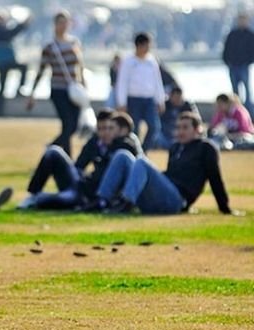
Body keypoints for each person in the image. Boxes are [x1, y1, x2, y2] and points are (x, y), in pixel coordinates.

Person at [92, 112, 239, 216]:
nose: (180, 131)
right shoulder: (175, 147)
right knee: (122, 156)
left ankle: (125, 203)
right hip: (163, 194)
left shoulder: (206, 148)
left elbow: (215, 178)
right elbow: (170, 175)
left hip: (177, 200)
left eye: (185, 127)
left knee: (141, 162)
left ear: (197, 129)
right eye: (178, 127)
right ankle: (102, 201)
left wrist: (224, 208)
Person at [27, 10, 86, 157]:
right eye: (60, 23)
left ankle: (52, 148)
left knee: (74, 126)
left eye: (66, 23)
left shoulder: (74, 43)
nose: (64, 26)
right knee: (67, 124)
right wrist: (32, 93)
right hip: (58, 89)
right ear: (55, 25)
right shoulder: (50, 47)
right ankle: (67, 159)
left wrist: (84, 85)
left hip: (75, 90)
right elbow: (41, 71)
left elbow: (80, 67)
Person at [116, 32, 165, 152]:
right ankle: (135, 151)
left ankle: (143, 151)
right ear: (139, 45)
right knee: (135, 129)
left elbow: (157, 81)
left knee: (154, 126)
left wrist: (160, 100)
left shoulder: (152, 61)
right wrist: (121, 102)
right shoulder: (128, 61)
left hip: (149, 99)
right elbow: (122, 82)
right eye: (147, 45)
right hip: (133, 99)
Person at [0, 12, 30, 116]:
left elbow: (12, 32)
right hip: (4, 63)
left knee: (2, 87)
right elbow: (11, 33)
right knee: (23, 67)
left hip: (4, 62)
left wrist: (22, 26)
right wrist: (22, 25)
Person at [222, 13, 254, 115]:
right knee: (235, 92)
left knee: (247, 91)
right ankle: (237, 112)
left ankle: (249, 113)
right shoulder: (232, 34)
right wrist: (227, 61)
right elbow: (226, 49)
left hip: (244, 66)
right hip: (233, 66)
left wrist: (248, 61)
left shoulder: (250, 34)